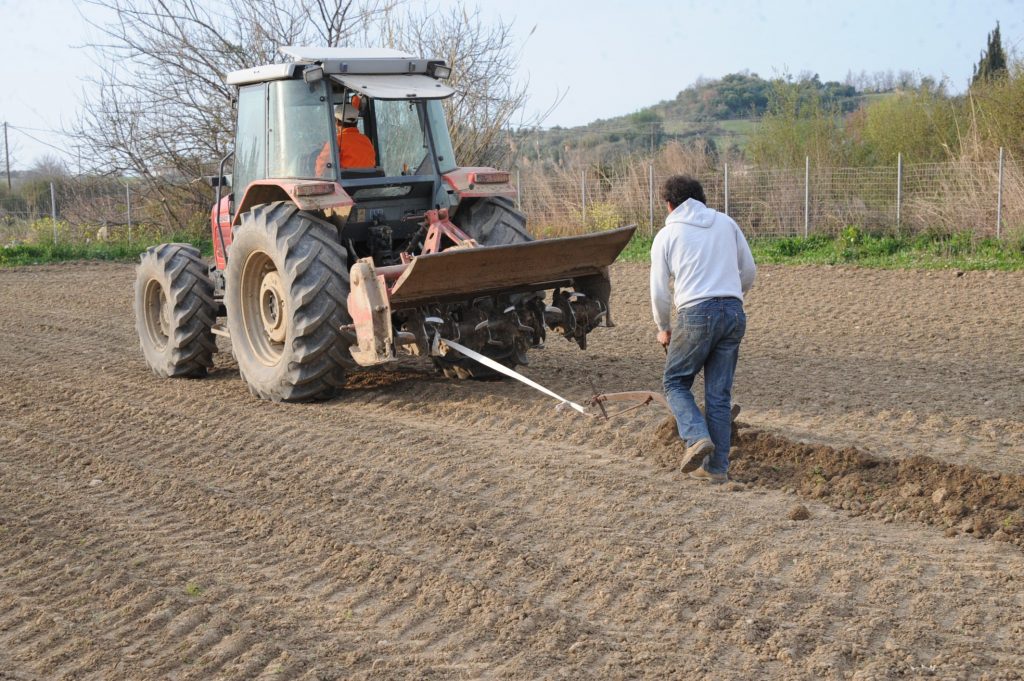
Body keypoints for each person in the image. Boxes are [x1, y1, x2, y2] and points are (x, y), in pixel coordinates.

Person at [650, 174, 756, 483]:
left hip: (695, 314)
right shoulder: (726, 223)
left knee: (675, 383)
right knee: (719, 396)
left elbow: (659, 292)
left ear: (670, 205)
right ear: (701, 200)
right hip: (734, 312)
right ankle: (717, 469)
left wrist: (663, 327)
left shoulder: (666, 236)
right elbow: (748, 271)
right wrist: (731, 297)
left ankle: (697, 436)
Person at [315, 99, 376, 174]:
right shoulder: (367, 140)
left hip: (346, 185)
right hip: (368, 184)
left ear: (337, 122)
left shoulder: (335, 141)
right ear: (356, 122)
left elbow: (321, 170)